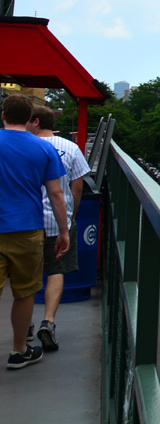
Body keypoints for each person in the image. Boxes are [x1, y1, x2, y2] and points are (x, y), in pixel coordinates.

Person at [0, 95, 68, 370]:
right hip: (27, 229)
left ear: (3, 115)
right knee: (25, 292)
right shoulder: (43, 149)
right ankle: (18, 351)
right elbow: (56, 193)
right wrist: (64, 231)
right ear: (31, 119)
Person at [32, 104, 89, 353]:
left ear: (34, 122)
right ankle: (49, 321)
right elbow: (78, 186)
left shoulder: (26, 146)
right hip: (59, 221)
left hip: (28, 222)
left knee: (28, 273)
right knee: (56, 270)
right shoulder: (71, 147)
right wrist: (71, 215)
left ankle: (24, 324)